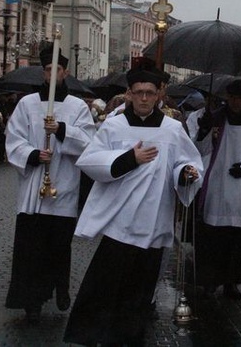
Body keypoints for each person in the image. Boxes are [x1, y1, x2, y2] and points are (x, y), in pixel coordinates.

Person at [63, 67, 203, 346]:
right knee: (106, 284)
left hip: (153, 219)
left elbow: (188, 162)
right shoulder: (114, 126)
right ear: (129, 94)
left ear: (158, 95)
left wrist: (186, 172)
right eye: (138, 92)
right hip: (120, 220)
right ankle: (97, 334)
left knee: (141, 289)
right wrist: (129, 159)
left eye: (149, 93)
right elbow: (90, 161)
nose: (143, 98)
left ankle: (131, 334)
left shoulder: (172, 129)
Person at [4, 47, 95, 324]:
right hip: (33, 188)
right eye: (46, 69)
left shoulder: (78, 106)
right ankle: (32, 300)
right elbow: (13, 138)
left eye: (56, 69)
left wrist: (63, 131)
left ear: (65, 72)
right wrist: (32, 154)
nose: (51, 74)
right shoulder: (27, 103)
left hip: (63, 186)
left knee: (58, 246)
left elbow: (89, 143)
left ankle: (60, 288)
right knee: (31, 249)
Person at [189, 79, 241, 299]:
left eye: (240, 98)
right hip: (218, 184)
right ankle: (210, 280)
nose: (236, 102)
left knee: (239, 241)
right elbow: (199, 151)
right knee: (213, 239)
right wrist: (203, 131)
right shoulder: (215, 118)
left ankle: (232, 281)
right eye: (232, 97)